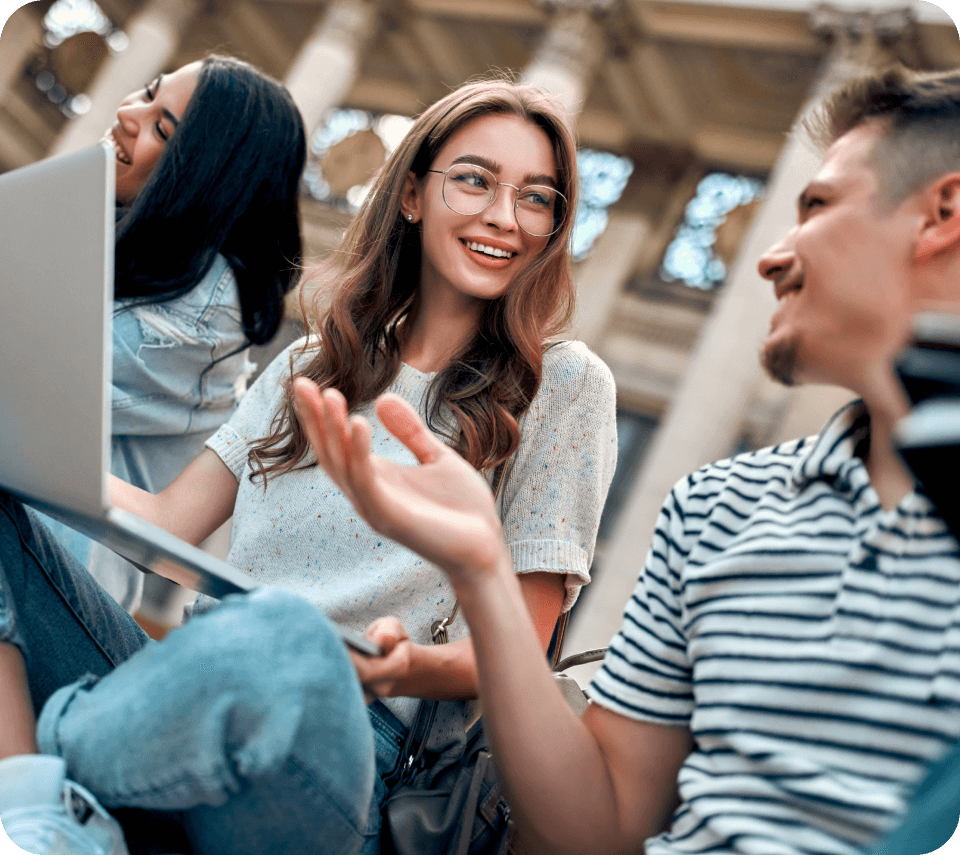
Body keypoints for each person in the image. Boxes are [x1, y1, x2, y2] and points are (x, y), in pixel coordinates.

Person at [290, 64, 960, 855]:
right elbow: (594, 830)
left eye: (815, 207)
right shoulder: (717, 505)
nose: (768, 258)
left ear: (942, 213)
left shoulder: (571, 385)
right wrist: (481, 573)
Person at [0, 77, 617, 855]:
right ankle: (35, 800)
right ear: (413, 196)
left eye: (538, 198)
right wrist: (23, 452)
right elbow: (163, 523)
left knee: (289, 630)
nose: (504, 217)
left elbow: (516, 657)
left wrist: (397, 668)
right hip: (190, 682)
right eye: (475, 180)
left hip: (349, 750)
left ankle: (49, 766)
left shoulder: (564, 385)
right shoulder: (312, 361)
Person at [34, 53, 307, 614]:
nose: (127, 113)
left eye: (162, 127)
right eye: (145, 92)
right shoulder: (133, 247)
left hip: (52, 573)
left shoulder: (204, 302)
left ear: (210, 172)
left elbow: (30, 374)